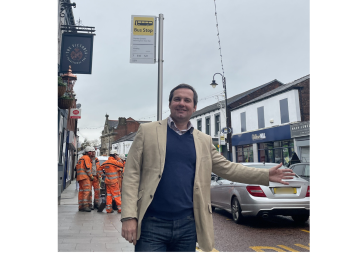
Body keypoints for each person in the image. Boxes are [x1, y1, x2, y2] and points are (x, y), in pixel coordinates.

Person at [120, 83, 296, 252]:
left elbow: (228, 168)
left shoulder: (203, 140)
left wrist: (265, 175)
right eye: (177, 99)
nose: (182, 103)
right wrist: (129, 216)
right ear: (170, 103)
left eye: (187, 100)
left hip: (188, 225)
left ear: (194, 107)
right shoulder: (148, 131)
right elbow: (131, 175)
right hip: (152, 223)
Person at [98, 149, 124, 214]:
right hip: (114, 182)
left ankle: (109, 209)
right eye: (116, 155)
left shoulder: (106, 162)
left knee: (109, 195)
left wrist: (103, 176)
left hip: (107, 181)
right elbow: (122, 165)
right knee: (117, 195)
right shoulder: (114, 162)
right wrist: (118, 158)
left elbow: (99, 169)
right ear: (115, 155)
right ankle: (120, 209)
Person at [76, 146, 95, 212]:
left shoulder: (81, 158)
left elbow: (76, 168)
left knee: (81, 191)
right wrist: (91, 176)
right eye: (91, 152)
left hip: (80, 178)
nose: (92, 153)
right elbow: (87, 168)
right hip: (85, 177)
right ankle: (85, 206)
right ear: (89, 152)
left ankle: (81, 206)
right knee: (87, 191)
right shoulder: (87, 158)